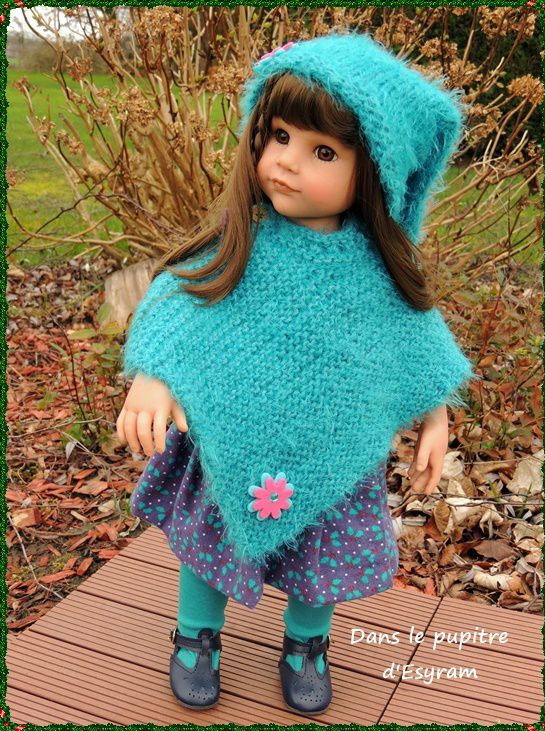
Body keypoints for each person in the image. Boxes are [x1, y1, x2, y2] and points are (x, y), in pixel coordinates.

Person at [116, 29, 479, 716]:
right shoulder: (242, 242)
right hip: (232, 443)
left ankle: (307, 644)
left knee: (324, 559)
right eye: (279, 135)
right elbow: (177, 298)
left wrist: (434, 414)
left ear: (372, 171)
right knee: (211, 542)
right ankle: (196, 634)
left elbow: (414, 345)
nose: (285, 161)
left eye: (322, 151)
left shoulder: (376, 272)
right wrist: (155, 374)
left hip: (336, 457)